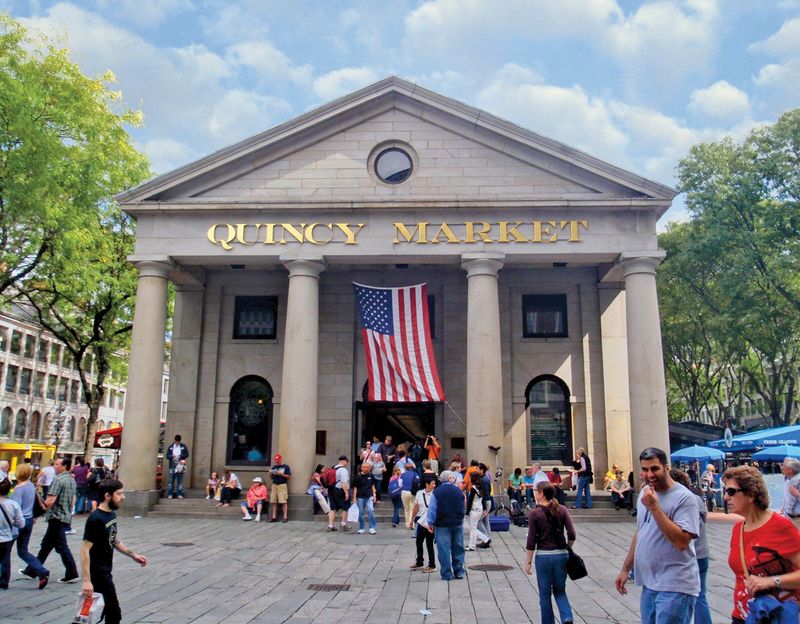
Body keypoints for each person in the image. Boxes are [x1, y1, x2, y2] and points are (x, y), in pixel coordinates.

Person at [614, 447, 700, 624]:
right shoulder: (646, 494)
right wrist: (625, 568)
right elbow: (641, 532)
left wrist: (654, 507)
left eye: (655, 468)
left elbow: (682, 541)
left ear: (666, 468)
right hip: (650, 584)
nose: (650, 474)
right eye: (645, 469)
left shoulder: (684, 498)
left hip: (675, 585)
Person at [723, 464, 800, 624]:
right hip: (744, 615)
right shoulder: (738, 529)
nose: (725, 497)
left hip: (775, 614)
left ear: (751, 494)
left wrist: (772, 581)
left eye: (731, 491)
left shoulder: (780, 526)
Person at [80, 479, 148, 624]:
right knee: (113, 613)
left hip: (105, 568)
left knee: (88, 612)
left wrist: (133, 555)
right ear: (107, 496)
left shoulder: (110, 515)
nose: (123, 497)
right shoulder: (95, 519)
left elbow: (114, 539)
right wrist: (87, 581)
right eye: (119, 494)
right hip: (98, 572)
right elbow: (85, 550)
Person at [22, 457, 80, 584]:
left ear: (65, 466)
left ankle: (72, 572)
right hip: (64, 515)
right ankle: (32, 570)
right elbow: (73, 500)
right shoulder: (71, 480)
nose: (55, 466)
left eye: (58, 464)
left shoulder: (58, 480)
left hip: (56, 516)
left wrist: (37, 514)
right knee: (46, 545)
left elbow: (50, 501)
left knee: (61, 547)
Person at [525, 481, 576, 624]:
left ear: (541, 493)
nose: (534, 492)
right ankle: (567, 617)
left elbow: (531, 542)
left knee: (545, 595)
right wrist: (568, 548)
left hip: (544, 556)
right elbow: (572, 534)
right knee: (560, 590)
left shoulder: (535, 514)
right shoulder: (562, 510)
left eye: (535, 490)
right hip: (561, 555)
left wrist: (528, 563)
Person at [670, 468, 711, 624]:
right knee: (701, 595)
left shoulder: (682, 500)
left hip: (690, 553)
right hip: (703, 552)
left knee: (687, 596)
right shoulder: (697, 499)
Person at [9, 464, 49, 589]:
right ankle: (41, 570)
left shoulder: (18, 489)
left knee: (5, 551)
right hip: (29, 520)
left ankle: (3, 578)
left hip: (19, 522)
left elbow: (15, 508)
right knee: (23, 550)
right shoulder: (31, 486)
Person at [425, 470, 466, 582]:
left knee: (444, 549)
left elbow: (432, 508)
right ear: (449, 479)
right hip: (457, 523)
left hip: (442, 524)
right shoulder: (458, 491)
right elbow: (463, 505)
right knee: (458, 547)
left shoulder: (437, 492)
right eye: (452, 477)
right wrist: (461, 517)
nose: (454, 479)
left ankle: (446, 573)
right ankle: (459, 571)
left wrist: (430, 523)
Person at [0, 478, 25, 590]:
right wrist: (12, 521)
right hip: (6, 538)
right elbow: (21, 524)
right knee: (5, 558)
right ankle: (4, 581)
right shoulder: (13, 504)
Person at [409, 477, 436, 573]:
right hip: (421, 521)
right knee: (418, 542)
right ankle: (419, 561)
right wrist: (412, 518)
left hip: (430, 522)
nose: (434, 485)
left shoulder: (436, 494)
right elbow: (416, 506)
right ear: (427, 484)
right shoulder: (419, 493)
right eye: (432, 483)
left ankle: (432, 564)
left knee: (429, 543)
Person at [352, 462, 377, 535]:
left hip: (369, 496)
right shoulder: (358, 476)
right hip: (360, 496)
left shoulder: (371, 475)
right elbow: (355, 487)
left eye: (368, 467)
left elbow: (373, 485)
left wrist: (374, 494)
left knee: (371, 510)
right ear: (361, 468)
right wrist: (354, 498)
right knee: (361, 513)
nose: (366, 469)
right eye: (365, 467)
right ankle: (361, 528)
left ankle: (372, 527)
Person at [326, 455, 351, 532]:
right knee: (345, 507)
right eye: (347, 462)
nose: (347, 463)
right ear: (344, 461)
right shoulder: (343, 470)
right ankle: (343, 524)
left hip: (331, 490)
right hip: (339, 490)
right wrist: (346, 493)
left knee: (332, 508)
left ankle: (330, 526)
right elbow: (344, 482)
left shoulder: (333, 468)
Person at [465, 475, 486, 551]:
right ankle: (485, 539)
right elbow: (483, 499)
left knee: (472, 529)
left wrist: (467, 511)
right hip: (479, 509)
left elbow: (470, 501)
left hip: (474, 510)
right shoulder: (480, 487)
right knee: (474, 527)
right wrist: (485, 509)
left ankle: (472, 545)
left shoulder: (473, 488)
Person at [269, 453, 291, 523]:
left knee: (283, 501)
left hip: (282, 484)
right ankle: (274, 516)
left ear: (281, 459)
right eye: (276, 460)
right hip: (275, 484)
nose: (277, 461)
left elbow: (289, 476)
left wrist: (280, 474)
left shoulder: (286, 467)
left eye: (278, 460)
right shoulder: (274, 467)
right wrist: (270, 473)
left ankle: (285, 516)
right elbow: (271, 478)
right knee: (274, 501)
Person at [166, 434, 189, 499]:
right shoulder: (171, 447)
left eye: (178, 442)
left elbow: (187, 454)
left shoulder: (183, 446)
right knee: (171, 481)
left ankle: (179, 494)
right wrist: (172, 456)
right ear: (175, 440)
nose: (177, 443)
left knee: (180, 481)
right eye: (176, 441)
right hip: (172, 465)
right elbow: (167, 456)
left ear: (180, 441)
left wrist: (180, 456)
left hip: (180, 465)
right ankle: (170, 494)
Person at [400, 461, 418, 528]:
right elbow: (417, 482)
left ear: (405, 468)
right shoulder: (414, 474)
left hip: (404, 492)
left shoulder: (402, 474)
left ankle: (407, 524)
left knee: (406, 508)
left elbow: (400, 484)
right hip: (411, 492)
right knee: (412, 508)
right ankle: (411, 523)